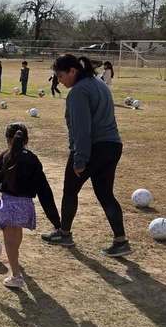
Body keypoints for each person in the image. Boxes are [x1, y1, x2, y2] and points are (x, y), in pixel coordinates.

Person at [41, 54, 130, 257]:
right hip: (112, 146)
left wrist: (80, 158)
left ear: (73, 71)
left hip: (92, 148)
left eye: (61, 76)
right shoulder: (99, 84)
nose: (60, 81)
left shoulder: (78, 92)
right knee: (105, 194)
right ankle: (121, 240)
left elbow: (82, 129)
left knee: (70, 190)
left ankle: (64, 233)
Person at [0, 122, 62, 288]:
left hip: (9, 205)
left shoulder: (4, 157)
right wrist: (56, 220)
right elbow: (45, 190)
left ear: (8, 139)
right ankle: (15, 262)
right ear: (26, 140)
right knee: (16, 236)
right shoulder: (32, 159)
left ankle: (15, 275)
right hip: (26, 206)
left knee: (9, 241)